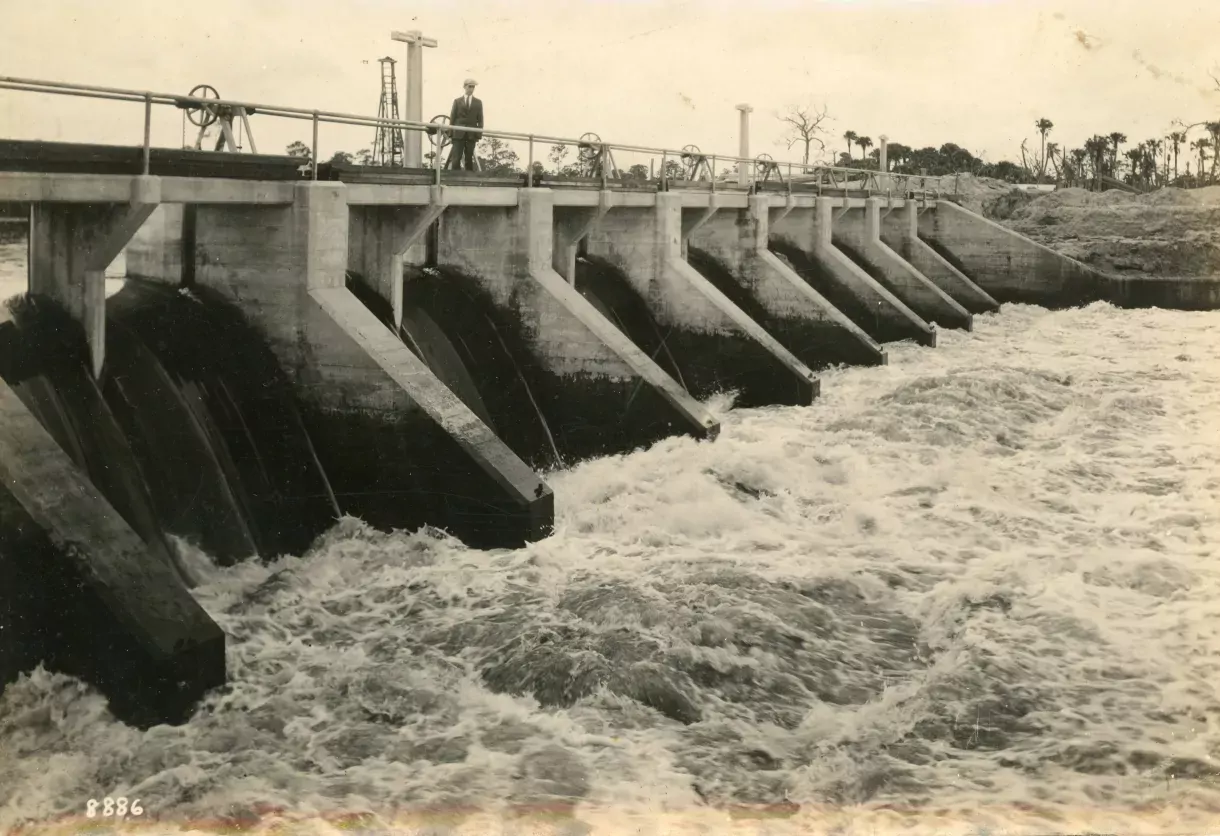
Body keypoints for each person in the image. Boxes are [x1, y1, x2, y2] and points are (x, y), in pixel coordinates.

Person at [446, 78, 483, 171]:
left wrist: (478, 134)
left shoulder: (478, 103)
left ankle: (468, 179)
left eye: (473, 87)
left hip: (471, 134)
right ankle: (454, 179)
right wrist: (450, 134)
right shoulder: (457, 101)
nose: (471, 89)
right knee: (456, 157)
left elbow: (480, 119)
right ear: (464, 87)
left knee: (469, 157)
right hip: (458, 134)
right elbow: (452, 118)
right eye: (469, 86)